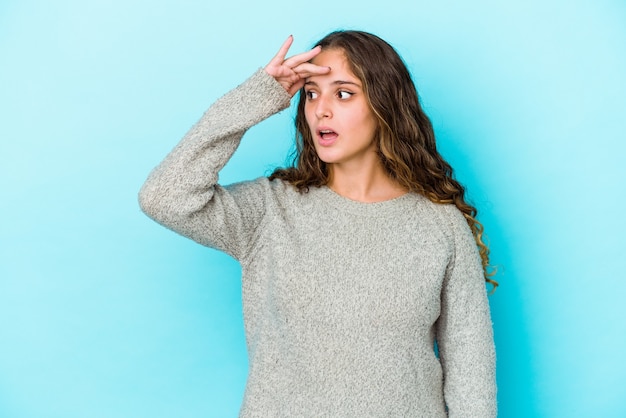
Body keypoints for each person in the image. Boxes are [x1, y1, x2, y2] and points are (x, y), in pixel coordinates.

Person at [139, 30, 497, 417]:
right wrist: (258, 95)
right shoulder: (269, 211)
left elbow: (471, 375)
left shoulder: (440, 226)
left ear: (384, 105)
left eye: (343, 93)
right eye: (311, 93)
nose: (320, 110)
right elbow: (164, 197)